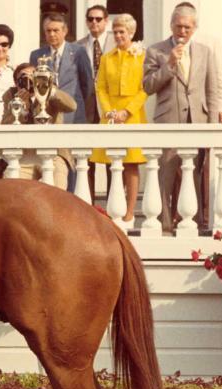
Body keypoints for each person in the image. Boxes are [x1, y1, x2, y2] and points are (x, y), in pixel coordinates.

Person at [143, 3, 220, 232]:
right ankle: (164, 226)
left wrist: (213, 128)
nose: (182, 32)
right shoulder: (156, 51)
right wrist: (170, 64)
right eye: (179, 26)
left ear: (194, 27)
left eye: (187, 27)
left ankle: (193, 225)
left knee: (193, 177)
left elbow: (212, 90)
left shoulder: (205, 52)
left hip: (198, 122)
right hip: (169, 122)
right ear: (171, 25)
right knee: (164, 178)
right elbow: (147, 86)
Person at [89, 14, 148, 230]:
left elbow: (145, 89)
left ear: (132, 33)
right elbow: (101, 87)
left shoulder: (141, 56)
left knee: (130, 164)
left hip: (132, 116)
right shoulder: (107, 57)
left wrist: (127, 111)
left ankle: (129, 214)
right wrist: (109, 111)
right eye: (115, 32)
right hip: (111, 116)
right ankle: (111, 211)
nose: (119, 35)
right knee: (108, 163)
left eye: (122, 31)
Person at [0, 63, 76, 189]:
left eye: (33, 77)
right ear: (16, 83)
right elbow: (6, 125)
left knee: (57, 187)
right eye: (23, 78)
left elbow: (72, 106)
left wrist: (48, 88)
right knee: (9, 188)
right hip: (25, 156)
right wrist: (21, 109)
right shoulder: (11, 95)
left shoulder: (50, 91)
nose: (29, 81)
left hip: (53, 152)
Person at [76, 4, 114, 199]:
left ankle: (112, 201)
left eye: (98, 19)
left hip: (110, 108)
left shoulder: (117, 43)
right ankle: (87, 202)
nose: (94, 23)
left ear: (106, 21)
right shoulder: (77, 46)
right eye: (90, 19)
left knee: (111, 159)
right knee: (86, 158)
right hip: (87, 108)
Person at [30, 13, 93, 124]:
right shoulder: (36, 55)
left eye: (56, 30)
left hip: (73, 115)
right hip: (47, 115)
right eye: (48, 31)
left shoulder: (79, 52)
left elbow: (87, 85)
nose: (52, 34)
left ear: (65, 31)